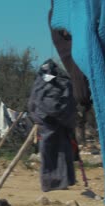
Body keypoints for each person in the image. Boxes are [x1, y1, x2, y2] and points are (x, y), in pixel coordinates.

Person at [28, 59, 77, 192]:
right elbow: (35, 102)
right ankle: (56, 182)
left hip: (50, 125)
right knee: (55, 153)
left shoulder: (44, 82)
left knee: (55, 153)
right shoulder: (57, 83)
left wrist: (39, 117)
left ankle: (57, 182)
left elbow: (33, 104)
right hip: (52, 125)